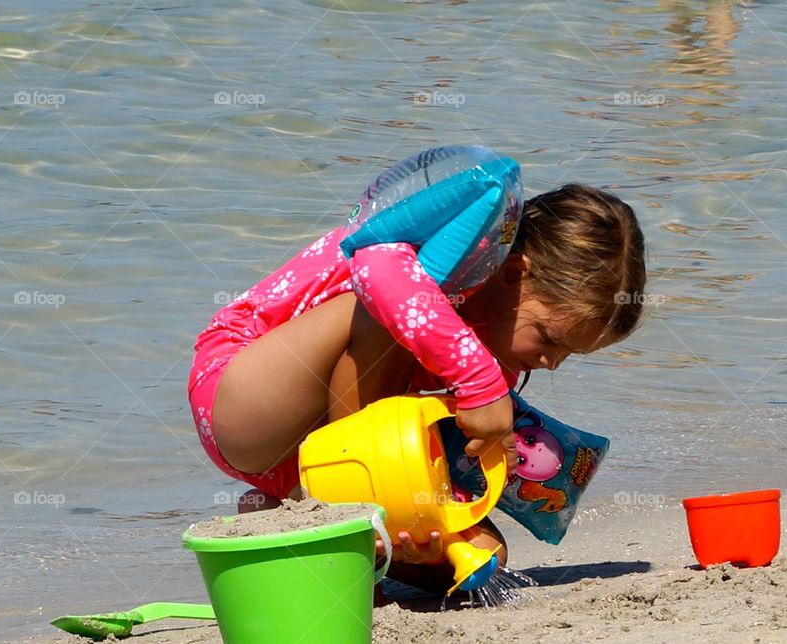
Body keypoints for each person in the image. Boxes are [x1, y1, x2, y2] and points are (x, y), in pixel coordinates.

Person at [187, 177, 646, 594]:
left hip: (300, 466)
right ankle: (347, 512)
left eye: (569, 356)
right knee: (381, 312)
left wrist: (427, 520)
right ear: (512, 274)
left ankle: (285, 519)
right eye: (549, 338)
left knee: (486, 557)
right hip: (247, 400)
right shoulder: (442, 263)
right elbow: (379, 277)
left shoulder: (497, 359)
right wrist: (479, 387)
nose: (550, 364)